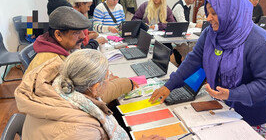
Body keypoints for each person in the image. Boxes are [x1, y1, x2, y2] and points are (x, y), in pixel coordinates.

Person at [150, 0, 266, 139]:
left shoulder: (261, 41)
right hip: (221, 108)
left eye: (214, 13)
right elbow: (193, 61)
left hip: (251, 117)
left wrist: (233, 94)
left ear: (231, 12)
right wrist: (169, 85)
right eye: (208, 12)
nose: (208, 18)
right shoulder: (211, 33)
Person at [15, 49, 165, 140]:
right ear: (95, 88)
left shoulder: (55, 87)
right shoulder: (81, 131)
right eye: (107, 76)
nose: (110, 77)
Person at [26, 6, 135, 104]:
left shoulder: (59, 50)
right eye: (76, 32)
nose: (83, 36)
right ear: (58, 35)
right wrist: (127, 83)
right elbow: (88, 99)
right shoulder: (54, 65)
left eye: (83, 31)